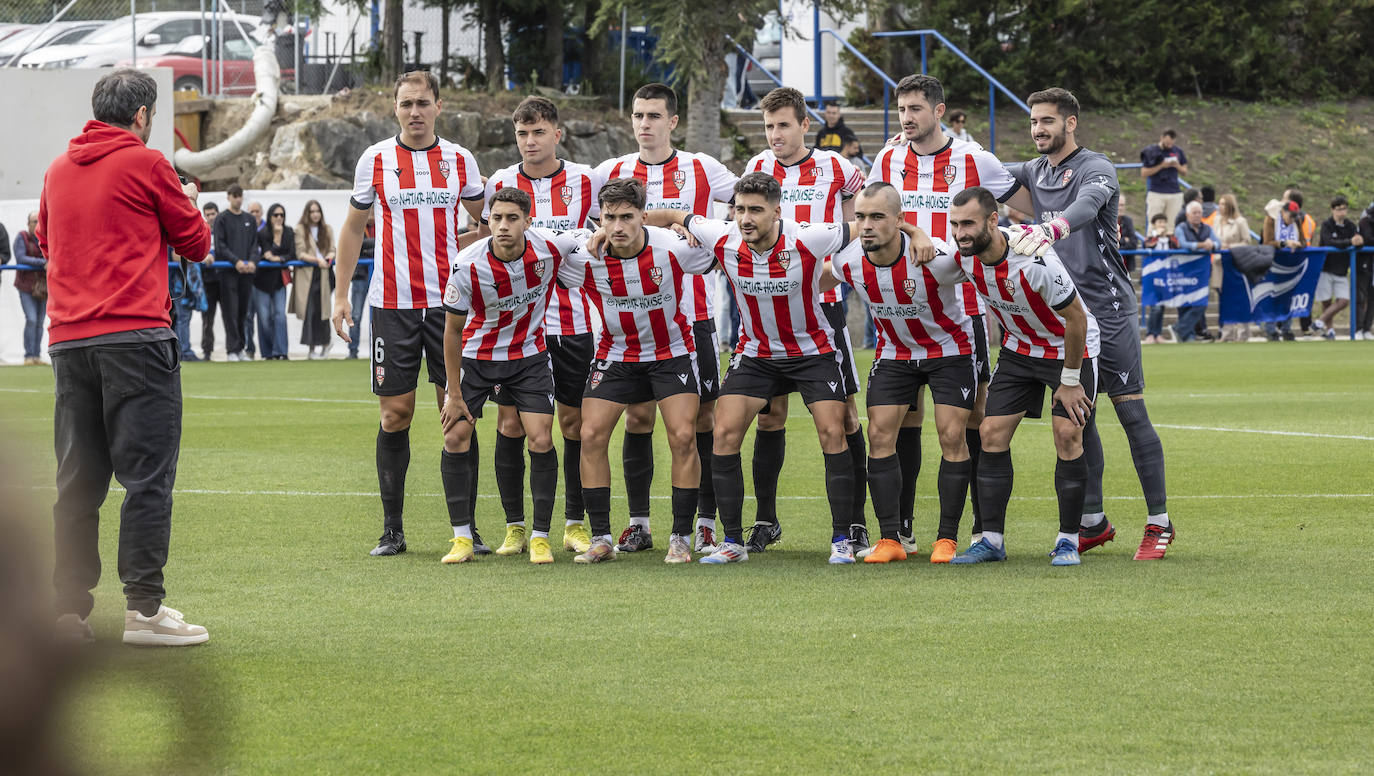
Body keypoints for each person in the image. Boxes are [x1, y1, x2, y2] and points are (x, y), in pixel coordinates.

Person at [645, 172, 933, 564]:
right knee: (724, 433)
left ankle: (841, 539)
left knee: (834, 432)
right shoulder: (723, 235)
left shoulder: (808, 237)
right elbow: (671, 214)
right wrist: (621, 230)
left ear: (777, 212)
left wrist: (915, 232)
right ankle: (733, 543)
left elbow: (871, 224)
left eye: (755, 210)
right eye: (740, 210)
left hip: (813, 352)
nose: (746, 218)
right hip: (756, 354)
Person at [38, 68, 211, 645]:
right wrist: (189, 202)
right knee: (147, 480)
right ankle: (144, 610)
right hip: (136, 339)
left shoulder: (57, 169)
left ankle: (68, 614)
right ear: (141, 115)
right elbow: (196, 243)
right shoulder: (148, 163)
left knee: (77, 484)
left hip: (69, 342)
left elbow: (49, 243)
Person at [866, 73, 1035, 553]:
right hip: (902, 309)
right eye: (902, 109)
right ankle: (901, 529)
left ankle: (981, 527)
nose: (907, 118)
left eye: (916, 109)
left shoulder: (974, 159)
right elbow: (879, 214)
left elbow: (1028, 204)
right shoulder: (888, 158)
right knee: (903, 419)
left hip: (963, 310)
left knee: (973, 417)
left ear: (939, 111)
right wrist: (915, 233)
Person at [1006, 87, 1174, 559]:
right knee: (1082, 414)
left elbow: (1084, 208)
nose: (1038, 129)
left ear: (1070, 122)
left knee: (1130, 411)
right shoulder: (1034, 171)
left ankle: (1160, 523)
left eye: (1047, 120)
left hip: (1108, 307)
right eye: (1033, 121)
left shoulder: (1096, 167)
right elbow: (983, 170)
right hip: (1068, 312)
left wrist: (1050, 227)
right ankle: (1093, 521)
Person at [331, 70, 488, 558]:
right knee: (394, 414)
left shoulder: (460, 160)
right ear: (394, 108)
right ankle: (392, 531)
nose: (415, 111)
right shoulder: (375, 159)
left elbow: (488, 221)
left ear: (439, 106)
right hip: (391, 305)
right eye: (406, 104)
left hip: (450, 306)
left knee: (458, 415)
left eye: (423, 103)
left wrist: (469, 252)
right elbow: (353, 228)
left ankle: (467, 530)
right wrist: (340, 294)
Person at [596, 82, 739, 554]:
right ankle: (639, 523)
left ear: (673, 121)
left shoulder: (703, 167)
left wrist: (696, 226)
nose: (645, 124)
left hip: (693, 315)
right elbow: (598, 224)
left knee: (701, 420)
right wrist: (669, 216)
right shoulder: (610, 171)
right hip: (633, 322)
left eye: (654, 115)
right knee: (638, 418)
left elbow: (745, 203)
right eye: (638, 115)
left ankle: (704, 522)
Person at [562, 178, 718, 563]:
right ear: (599, 219)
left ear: (643, 217)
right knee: (590, 433)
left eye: (627, 217)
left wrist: (684, 223)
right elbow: (541, 243)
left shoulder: (673, 248)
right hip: (616, 354)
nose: (618, 226)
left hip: (671, 352)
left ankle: (680, 537)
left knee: (683, 436)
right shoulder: (586, 254)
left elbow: (720, 242)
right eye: (610, 218)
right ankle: (601, 538)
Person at [743, 86, 870, 555]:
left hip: (823, 306)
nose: (775, 134)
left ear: (804, 125)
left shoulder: (837, 168)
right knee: (770, 415)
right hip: (768, 307)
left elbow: (860, 224)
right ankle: (765, 520)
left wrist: (838, 271)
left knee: (844, 416)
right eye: (769, 126)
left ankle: (855, 523)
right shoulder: (757, 166)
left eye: (783, 125)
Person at [946, 187, 1098, 566]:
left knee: (1067, 435)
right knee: (990, 433)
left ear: (993, 221)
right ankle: (992, 541)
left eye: (968, 224)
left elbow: (1077, 319)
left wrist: (1070, 380)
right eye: (955, 224)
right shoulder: (964, 256)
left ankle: (1068, 540)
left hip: (1068, 347)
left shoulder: (1033, 260)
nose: (960, 233)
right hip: (1019, 349)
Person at [436, 188, 588, 564]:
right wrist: (453, 394)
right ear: (487, 221)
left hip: (528, 359)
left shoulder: (549, 246)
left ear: (528, 222)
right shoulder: (467, 265)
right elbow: (451, 331)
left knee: (541, 438)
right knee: (455, 436)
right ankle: (462, 538)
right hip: (477, 358)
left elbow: (585, 235)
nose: (503, 225)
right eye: (496, 218)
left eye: (512, 218)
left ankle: (540, 537)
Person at [829, 182, 976, 564]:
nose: (866, 225)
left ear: (899, 220)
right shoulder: (848, 261)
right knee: (879, 435)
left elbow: (983, 263)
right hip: (895, 354)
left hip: (948, 351)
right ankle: (891, 540)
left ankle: (947, 539)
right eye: (861, 217)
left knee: (952, 436)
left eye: (877, 216)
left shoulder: (935, 257)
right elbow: (815, 276)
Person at [481, 96, 602, 556]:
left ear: (557, 134)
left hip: (573, 322)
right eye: (522, 134)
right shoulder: (500, 182)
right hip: (516, 328)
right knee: (511, 424)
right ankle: (515, 526)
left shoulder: (586, 180)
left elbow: (614, 225)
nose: (530, 142)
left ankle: (574, 523)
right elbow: (489, 243)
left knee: (573, 424)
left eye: (539, 132)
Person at [212, 183, 258, 361]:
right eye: (234, 196)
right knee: (230, 311)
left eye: (240, 196)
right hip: (228, 273)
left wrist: (252, 261)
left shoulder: (249, 219)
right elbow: (220, 245)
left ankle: (240, 349)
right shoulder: (222, 219)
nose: (238, 199)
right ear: (228, 197)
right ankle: (232, 349)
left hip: (247, 273)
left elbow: (254, 244)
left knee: (243, 312)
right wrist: (236, 261)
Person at [1313, 195, 1362, 339]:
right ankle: (1330, 330)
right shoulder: (1327, 225)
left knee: (1343, 301)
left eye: (1344, 209)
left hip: (1341, 270)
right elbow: (1329, 242)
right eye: (1339, 209)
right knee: (1326, 301)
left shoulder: (1351, 226)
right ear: (1332, 210)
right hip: (1326, 267)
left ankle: (1319, 321)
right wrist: (1349, 242)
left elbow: (1356, 243)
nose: (1342, 212)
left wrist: (1359, 242)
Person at [292, 200, 334, 358]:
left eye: (318, 211)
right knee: (309, 310)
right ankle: (311, 348)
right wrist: (317, 260)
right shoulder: (300, 229)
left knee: (324, 311)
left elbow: (332, 249)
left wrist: (329, 257)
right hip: (307, 275)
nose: (315, 214)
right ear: (307, 213)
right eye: (312, 211)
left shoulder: (327, 229)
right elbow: (300, 253)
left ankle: (326, 344)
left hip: (324, 274)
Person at [1261, 198, 1308, 341]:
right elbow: (1267, 242)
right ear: (1283, 212)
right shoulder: (1271, 220)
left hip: (1290, 264)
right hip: (1273, 263)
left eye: (1295, 217)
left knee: (1289, 296)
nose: (1292, 220)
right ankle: (1270, 329)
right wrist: (1284, 243)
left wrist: (1298, 244)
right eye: (1290, 216)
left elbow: (1304, 241)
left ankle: (1286, 328)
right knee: (1272, 295)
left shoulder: (1297, 221)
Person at [1171, 200, 1217, 342]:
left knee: (1200, 303)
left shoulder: (1207, 228)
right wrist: (1202, 245)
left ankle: (1180, 329)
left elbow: (1218, 242)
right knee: (1184, 303)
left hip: (1201, 272)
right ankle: (1186, 334)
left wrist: (1212, 244)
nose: (1197, 215)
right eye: (1194, 213)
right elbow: (1183, 244)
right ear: (1187, 215)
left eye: (1199, 212)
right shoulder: (1181, 228)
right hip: (1184, 271)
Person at [253, 202, 293, 359]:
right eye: (275, 215)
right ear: (269, 216)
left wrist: (278, 258)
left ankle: (281, 352)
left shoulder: (289, 232)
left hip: (279, 281)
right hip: (261, 281)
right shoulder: (262, 233)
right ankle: (268, 353)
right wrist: (276, 240)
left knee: (280, 316)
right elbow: (265, 253)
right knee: (264, 318)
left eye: (282, 215)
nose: (279, 218)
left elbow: (292, 254)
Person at [1212, 194, 1252, 341]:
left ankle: (1243, 333)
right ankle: (1227, 333)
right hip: (1220, 264)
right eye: (1219, 204)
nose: (1220, 207)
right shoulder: (1216, 220)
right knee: (1224, 299)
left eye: (1223, 204)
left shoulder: (1240, 222)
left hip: (1236, 265)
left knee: (1239, 299)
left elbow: (1247, 242)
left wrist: (1230, 247)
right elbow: (1213, 239)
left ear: (1230, 206)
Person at [10, 211, 47, 365]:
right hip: (26, 286)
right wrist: (42, 263)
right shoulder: (22, 237)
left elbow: (50, 255)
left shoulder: (45, 238)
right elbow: (21, 258)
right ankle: (28, 356)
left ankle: (36, 356)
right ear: (28, 224)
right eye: (34, 222)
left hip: (43, 287)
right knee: (31, 319)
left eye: (39, 221)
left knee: (40, 322)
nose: (37, 225)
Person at [1142, 213, 1179, 344]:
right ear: (1154, 225)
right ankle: (1150, 334)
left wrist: (1169, 236)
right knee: (1155, 306)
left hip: (1165, 275)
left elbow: (1177, 246)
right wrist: (1157, 235)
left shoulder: (1169, 239)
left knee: (1162, 306)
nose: (1162, 225)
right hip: (1152, 275)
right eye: (1159, 222)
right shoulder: (1151, 238)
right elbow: (1147, 245)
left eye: (1164, 222)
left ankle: (1158, 334)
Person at [1140, 129, 1188, 223]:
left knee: (1173, 224)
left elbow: (1184, 171)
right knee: (1154, 223)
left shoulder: (1178, 151)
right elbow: (1144, 173)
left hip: (1174, 192)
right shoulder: (1151, 151)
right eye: (1167, 143)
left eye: (1171, 143)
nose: (1169, 145)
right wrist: (1161, 166)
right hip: (1156, 192)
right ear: (1162, 138)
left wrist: (1177, 165)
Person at [346, 212, 374, 358]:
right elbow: (356, 244)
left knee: (376, 317)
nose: (370, 216)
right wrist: (373, 246)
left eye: (373, 213)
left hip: (377, 277)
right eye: (368, 213)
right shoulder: (358, 227)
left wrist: (365, 248)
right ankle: (352, 350)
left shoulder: (382, 225)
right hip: (359, 276)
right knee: (356, 315)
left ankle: (375, 351)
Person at [199, 201, 220, 359]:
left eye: (213, 214)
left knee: (232, 317)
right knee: (207, 319)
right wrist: (204, 257)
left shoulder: (224, 230)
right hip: (207, 280)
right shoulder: (201, 231)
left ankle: (235, 349)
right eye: (208, 214)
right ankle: (207, 350)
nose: (211, 217)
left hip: (224, 278)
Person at [243, 200, 263, 359]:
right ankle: (249, 348)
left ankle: (268, 351)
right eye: (252, 211)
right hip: (247, 278)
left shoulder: (268, 228)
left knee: (265, 316)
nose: (255, 214)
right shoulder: (244, 228)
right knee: (248, 316)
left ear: (261, 213)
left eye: (257, 211)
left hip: (264, 280)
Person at [1357, 203, 1374, 339]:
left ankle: (1367, 328)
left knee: (1372, 298)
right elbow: (1368, 240)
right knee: (1361, 297)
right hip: (1364, 264)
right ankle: (1358, 328)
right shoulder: (1365, 222)